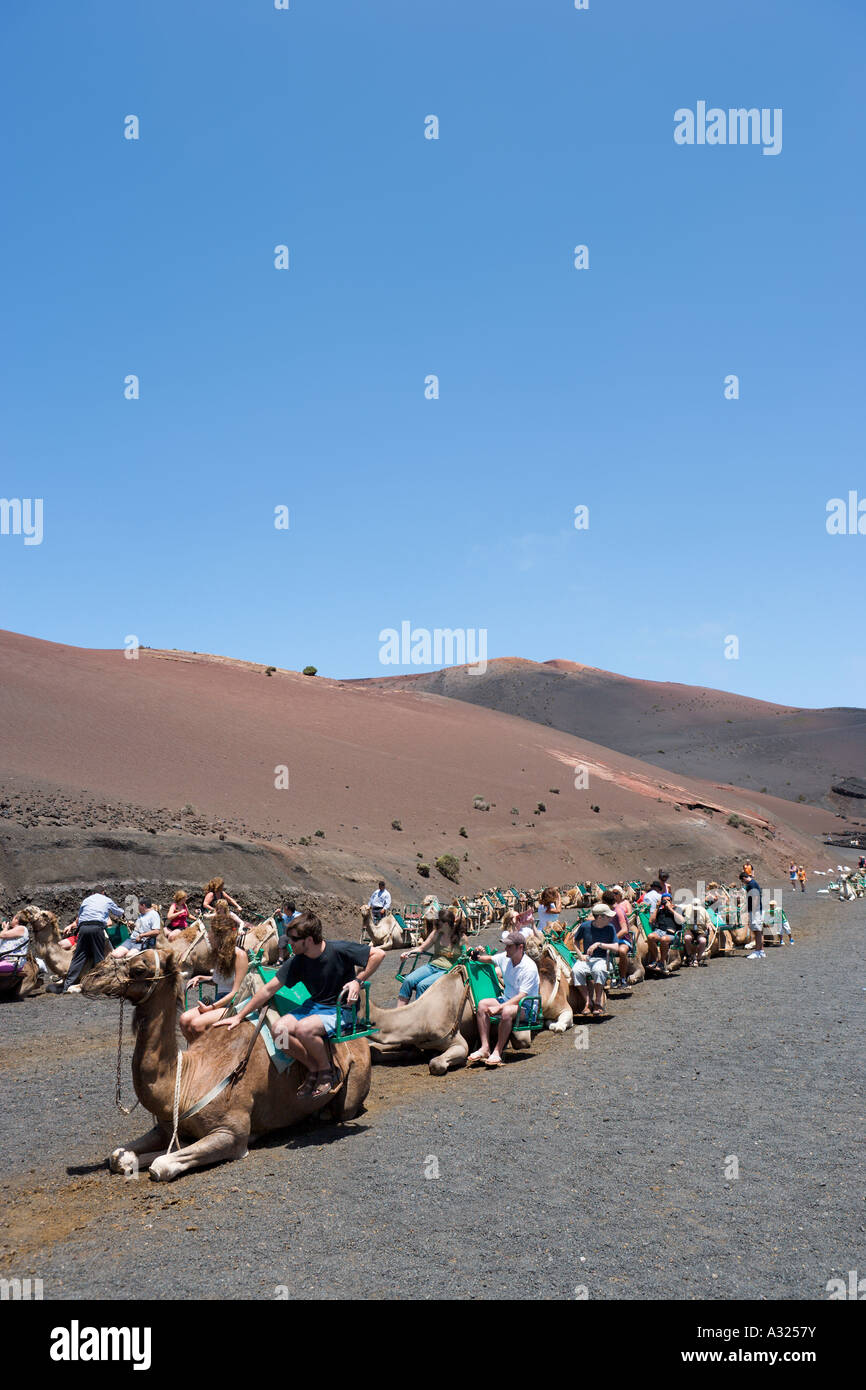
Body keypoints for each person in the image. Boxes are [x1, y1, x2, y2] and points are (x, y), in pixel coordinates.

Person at [216, 910, 385, 1099]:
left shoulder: (338, 949)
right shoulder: (297, 961)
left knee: (304, 1029)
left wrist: (358, 981)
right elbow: (268, 989)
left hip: (341, 1008)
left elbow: (378, 954)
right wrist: (239, 1016)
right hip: (314, 1005)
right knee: (278, 1030)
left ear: (310, 940)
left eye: (294, 939)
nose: (289, 943)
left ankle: (326, 1070)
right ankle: (312, 1067)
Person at [467, 931, 541, 1067]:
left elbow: (521, 996)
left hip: (527, 1007)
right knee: (482, 1005)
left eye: (509, 946)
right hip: (507, 999)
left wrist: (500, 1007)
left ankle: (497, 1051)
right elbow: (488, 959)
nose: (505, 949)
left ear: (520, 948)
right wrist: (475, 955)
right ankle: (485, 1048)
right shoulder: (505, 957)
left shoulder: (529, 967)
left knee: (507, 1011)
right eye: (506, 946)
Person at [179, 901, 249, 1041]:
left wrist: (211, 1007)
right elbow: (220, 980)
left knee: (196, 1025)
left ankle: (205, 1057)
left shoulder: (239, 955)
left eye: (213, 934)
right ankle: (197, 1055)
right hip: (219, 1001)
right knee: (184, 1019)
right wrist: (201, 978)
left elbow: (236, 991)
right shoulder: (219, 955)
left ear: (223, 936)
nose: (210, 937)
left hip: (233, 1005)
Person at [397, 906, 470, 1004]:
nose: (435, 924)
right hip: (432, 966)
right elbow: (421, 949)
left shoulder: (461, 938)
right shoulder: (436, 933)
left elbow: (468, 955)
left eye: (438, 922)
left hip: (448, 970)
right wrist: (408, 954)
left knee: (422, 985)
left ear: (446, 924)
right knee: (408, 980)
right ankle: (400, 1012)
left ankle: (420, 1014)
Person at [64, 887, 125, 992]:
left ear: (93, 893)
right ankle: (100, 984)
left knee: (78, 957)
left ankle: (67, 985)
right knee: (99, 957)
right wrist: (124, 913)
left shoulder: (86, 900)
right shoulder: (106, 899)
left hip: (83, 929)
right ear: (103, 892)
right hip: (97, 928)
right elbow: (118, 912)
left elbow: (80, 916)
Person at [571, 902, 621, 1014]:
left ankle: (598, 1002)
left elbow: (616, 947)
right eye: (608, 916)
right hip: (588, 959)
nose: (611, 918)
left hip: (603, 959)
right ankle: (588, 1002)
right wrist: (580, 955)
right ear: (600, 917)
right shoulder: (585, 926)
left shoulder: (610, 928)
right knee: (576, 971)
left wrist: (599, 944)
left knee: (598, 970)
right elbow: (575, 940)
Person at [645, 892, 683, 977]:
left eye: (668, 900)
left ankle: (662, 962)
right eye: (664, 900)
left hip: (672, 933)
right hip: (660, 931)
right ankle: (656, 960)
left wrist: (670, 909)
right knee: (650, 937)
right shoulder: (660, 910)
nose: (666, 902)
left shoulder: (677, 909)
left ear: (671, 901)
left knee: (664, 939)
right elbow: (651, 921)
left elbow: (681, 920)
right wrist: (657, 908)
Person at [605, 887, 635, 983]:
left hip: (623, 940)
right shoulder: (607, 911)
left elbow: (625, 930)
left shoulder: (618, 911)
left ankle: (622, 978)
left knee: (622, 951)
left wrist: (613, 939)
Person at [740, 870, 765, 959]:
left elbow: (755, 897)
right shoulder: (753, 883)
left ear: (744, 878)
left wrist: (753, 910)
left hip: (755, 911)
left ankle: (757, 951)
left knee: (756, 931)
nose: (743, 883)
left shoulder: (751, 884)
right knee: (759, 931)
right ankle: (761, 951)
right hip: (758, 910)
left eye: (743, 881)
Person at [0, 913, 30, 977]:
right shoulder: (15, 930)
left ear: (16, 919)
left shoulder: (21, 928)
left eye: (13, 918)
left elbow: (2, 935)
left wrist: (5, 928)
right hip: (7, 959)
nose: (11, 920)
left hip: (12, 961)